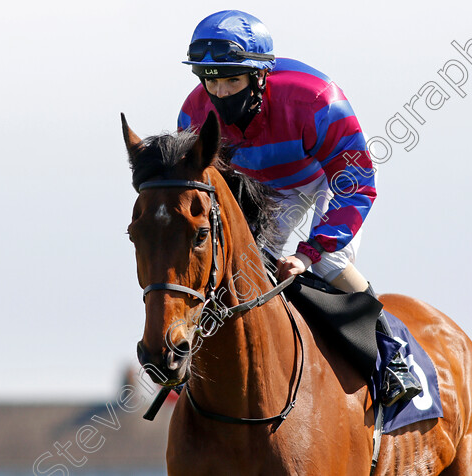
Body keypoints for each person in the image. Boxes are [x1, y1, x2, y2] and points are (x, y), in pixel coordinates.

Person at [177, 10, 421, 406]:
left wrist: (308, 254)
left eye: (231, 80)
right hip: (263, 189)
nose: (219, 93)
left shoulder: (315, 99)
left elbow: (356, 182)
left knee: (329, 263)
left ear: (259, 76)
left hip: (328, 177)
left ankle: (393, 353)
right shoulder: (193, 115)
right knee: (240, 269)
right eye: (211, 80)